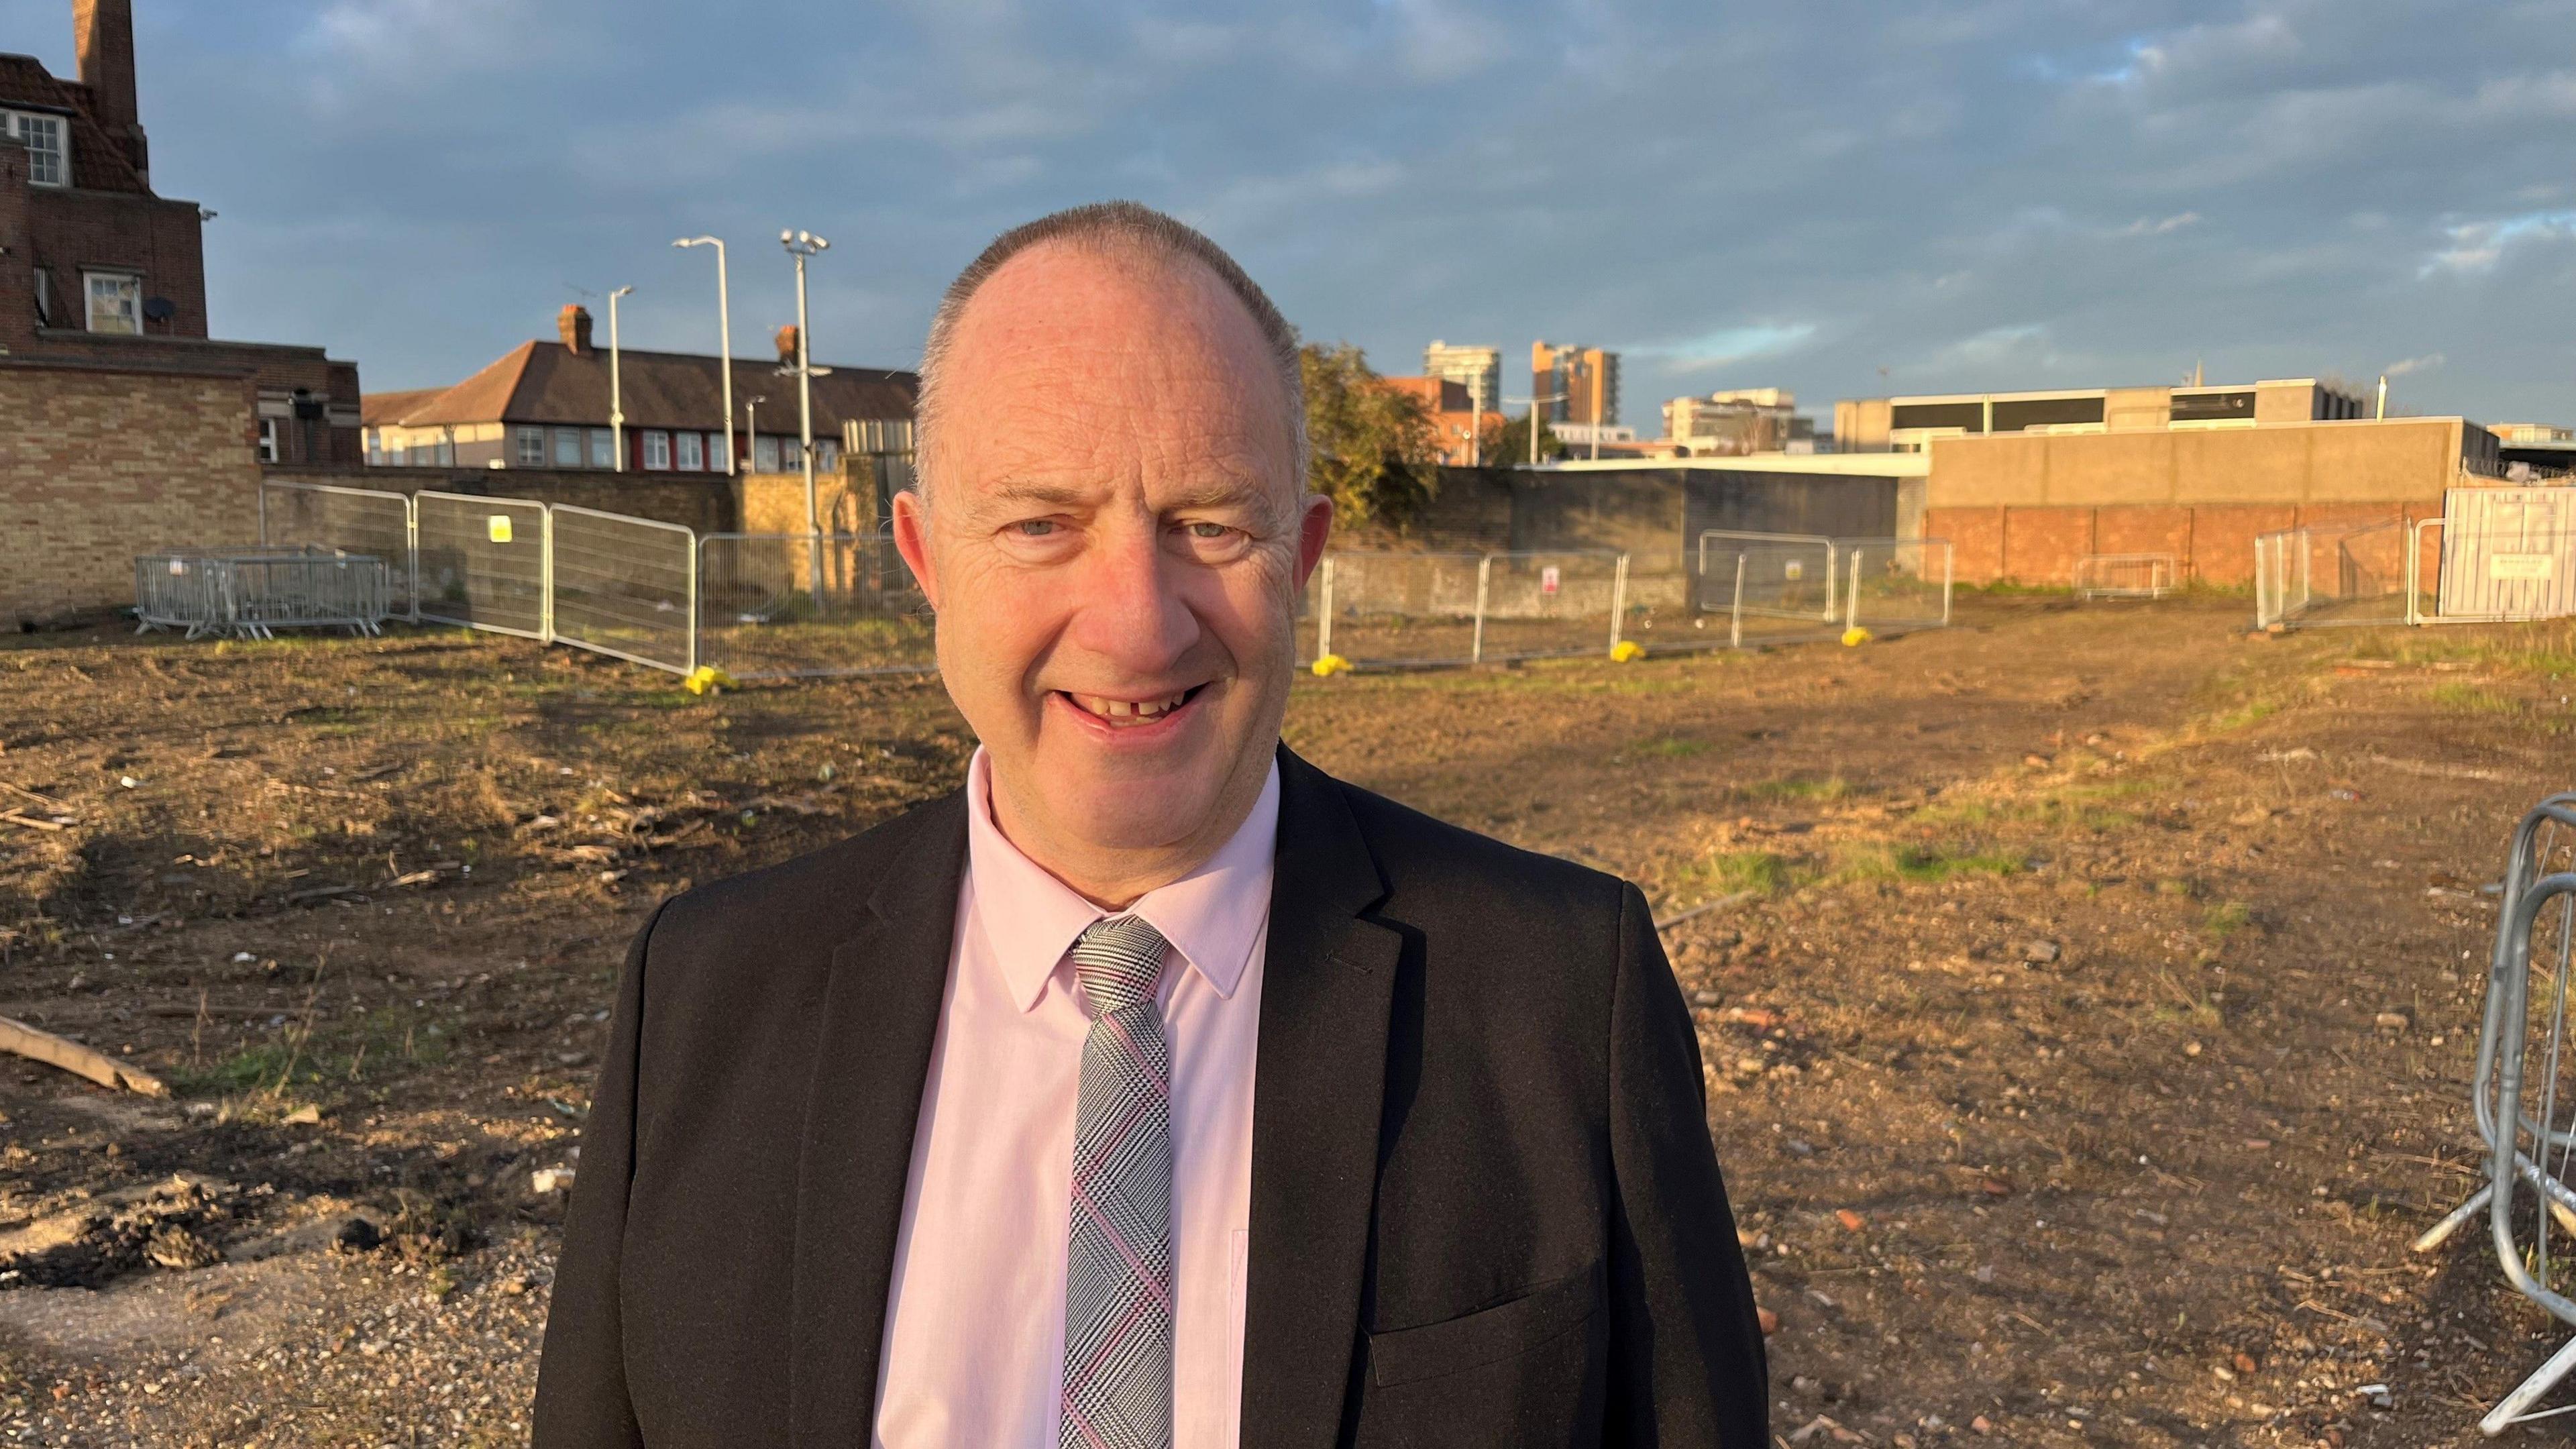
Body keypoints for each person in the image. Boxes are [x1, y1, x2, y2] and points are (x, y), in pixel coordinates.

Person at [532, 201, 1768, 1448]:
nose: (1137, 626)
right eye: (1040, 525)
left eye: (1209, 526)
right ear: (926, 559)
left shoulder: (1562, 993)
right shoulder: (704, 993)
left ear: (1302, 559)